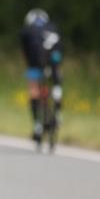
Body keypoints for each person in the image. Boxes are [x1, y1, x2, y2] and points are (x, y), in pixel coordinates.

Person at [19, 8, 64, 142]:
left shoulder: (27, 30)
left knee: (34, 89)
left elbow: (26, 53)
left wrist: (30, 65)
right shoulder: (52, 26)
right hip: (54, 58)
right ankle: (57, 102)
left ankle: (37, 125)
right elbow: (61, 46)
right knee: (56, 77)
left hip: (36, 60)